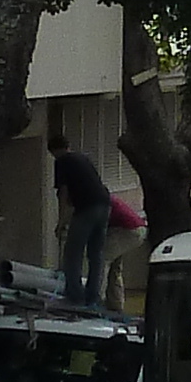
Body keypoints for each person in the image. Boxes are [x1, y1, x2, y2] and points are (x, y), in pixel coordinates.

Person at [50, 131, 112, 305]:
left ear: (54, 151)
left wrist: (61, 222)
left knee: (72, 253)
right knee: (96, 253)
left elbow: (64, 193)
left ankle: (74, 295)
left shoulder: (61, 161)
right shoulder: (82, 158)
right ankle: (93, 295)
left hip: (87, 208)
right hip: (105, 204)